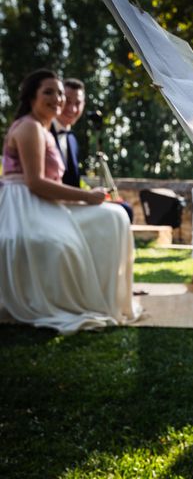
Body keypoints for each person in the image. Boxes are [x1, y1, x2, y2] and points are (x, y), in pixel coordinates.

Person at [0, 69, 140, 334]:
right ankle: (86, 299)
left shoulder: (42, 129)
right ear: (32, 96)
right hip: (25, 206)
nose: (58, 99)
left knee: (116, 215)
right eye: (48, 92)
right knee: (102, 222)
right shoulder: (30, 127)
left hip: (41, 202)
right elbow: (35, 183)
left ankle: (108, 295)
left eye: (60, 93)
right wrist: (86, 197)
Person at [51, 78, 134, 222]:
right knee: (121, 213)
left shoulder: (72, 140)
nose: (72, 109)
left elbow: (73, 183)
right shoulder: (44, 131)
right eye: (68, 101)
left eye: (77, 103)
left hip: (72, 202)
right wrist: (86, 197)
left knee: (125, 208)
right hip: (54, 205)